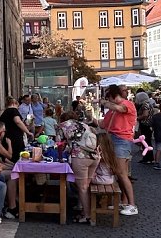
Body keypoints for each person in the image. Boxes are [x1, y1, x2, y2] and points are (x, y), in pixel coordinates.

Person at [99, 84, 137, 215]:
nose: (108, 101)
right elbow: (103, 124)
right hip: (115, 140)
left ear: (113, 96)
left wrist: (104, 102)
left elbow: (120, 108)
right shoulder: (112, 110)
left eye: (109, 98)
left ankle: (132, 205)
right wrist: (89, 118)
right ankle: (125, 202)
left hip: (122, 141)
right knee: (120, 174)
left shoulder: (127, 104)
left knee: (121, 174)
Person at [58, 112, 99, 224]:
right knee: (86, 185)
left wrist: (60, 158)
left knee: (82, 187)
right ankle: (84, 210)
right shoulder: (83, 125)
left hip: (80, 157)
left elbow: (60, 144)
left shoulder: (63, 126)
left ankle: (87, 215)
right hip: (94, 156)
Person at [134, 88, 155, 164]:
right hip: (149, 124)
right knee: (147, 141)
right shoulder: (149, 104)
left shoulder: (144, 105)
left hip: (145, 124)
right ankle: (149, 158)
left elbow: (145, 115)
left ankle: (148, 158)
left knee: (146, 141)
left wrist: (137, 118)